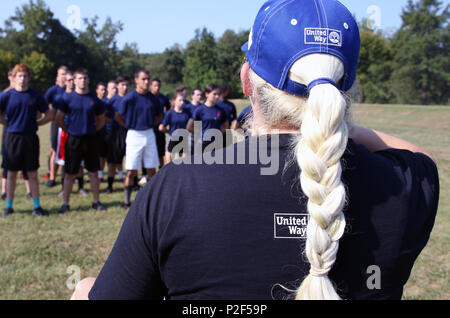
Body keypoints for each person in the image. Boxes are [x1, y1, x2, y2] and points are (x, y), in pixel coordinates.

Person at [72, 0, 439, 300]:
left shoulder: (177, 188)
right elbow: (420, 157)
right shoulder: (404, 188)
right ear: (344, 89)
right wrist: (333, 124)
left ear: (247, 80)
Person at [0, 64, 53, 218]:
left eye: (25, 76)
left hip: (30, 138)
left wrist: (37, 123)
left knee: (32, 173)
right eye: (19, 76)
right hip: (12, 138)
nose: (22, 79)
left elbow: (49, 114)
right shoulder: (6, 96)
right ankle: (9, 206)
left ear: (29, 78)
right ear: (14, 77)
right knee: (11, 173)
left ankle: (37, 206)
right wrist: (7, 124)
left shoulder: (35, 96)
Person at [56, 68, 106, 214]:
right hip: (73, 139)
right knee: (70, 173)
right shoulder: (67, 98)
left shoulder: (94, 100)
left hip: (90, 139)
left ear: (88, 80)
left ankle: (96, 201)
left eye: (85, 78)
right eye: (79, 78)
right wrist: (70, 130)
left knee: (93, 172)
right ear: (74, 80)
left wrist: (92, 130)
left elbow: (101, 120)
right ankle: (65, 203)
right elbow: (59, 119)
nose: (82, 81)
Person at [115, 69, 162, 209]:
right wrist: (128, 125)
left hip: (149, 134)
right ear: (136, 80)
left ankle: (153, 200)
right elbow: (118, 116)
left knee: (151, 169)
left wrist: (152, 124)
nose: (146, 82)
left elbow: (159, 115)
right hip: (134, 134)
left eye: (148, 79)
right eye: (143, 79)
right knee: (131, 170)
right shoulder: (129, 98)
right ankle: (126, 201)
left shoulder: (153, 98)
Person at [44, 65, 68, 188]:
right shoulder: (53, 90)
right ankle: (52, 177)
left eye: (66, 73)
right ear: (57, 76)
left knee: (67, 151)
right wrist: (51, 114)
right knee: (54, 149)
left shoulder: (71, 89)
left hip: (68, 124)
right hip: (56, 124)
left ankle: (67, 178)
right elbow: (43, 104)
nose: (64, 76)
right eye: (62, 74)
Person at [186, 83, 229, 153]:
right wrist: (200, 134)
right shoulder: (199, 110)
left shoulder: (221, 110)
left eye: (218, 94)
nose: (217, 96)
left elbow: (226, 127)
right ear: (207, 94)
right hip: (202, 144)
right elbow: (189, 127)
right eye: (214, 94)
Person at [104, 76, 129, 194]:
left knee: (130, 160)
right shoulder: (112, 100)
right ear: (118, 86)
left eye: (127, 85)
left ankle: (131, 183)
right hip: (116, 132)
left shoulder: (131, 99)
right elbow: (102, 114)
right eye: (122, 85)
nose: (125, 87)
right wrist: (111, 121)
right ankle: (110, 185)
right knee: (113, 161)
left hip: (130, 132)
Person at [158, 92, 190, 164]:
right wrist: (169, 132)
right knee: (169, 162)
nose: (182, 102)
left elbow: (191, 126)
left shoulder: (187, 113)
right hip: (173, 138)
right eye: (180, 100)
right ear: (174, 101)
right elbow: (161, 127)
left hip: (183, 140)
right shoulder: (170, 113)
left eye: (183, 100)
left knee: (183, 163)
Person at [149, 78, 170, 174]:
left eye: (158, 86)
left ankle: (161, 172)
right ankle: (145, 173)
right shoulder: (147, 97)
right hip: (148, 127)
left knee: (160, 151)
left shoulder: (163, 98)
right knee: (148, 152)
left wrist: (165, 120)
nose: (157, 88)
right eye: (155, 86)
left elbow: (169, 110)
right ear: (150, 86)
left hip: (159, 127)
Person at [95, 82, 108, 182]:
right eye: (101, 89)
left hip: (104, 131)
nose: (103, 92)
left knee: (103, 154)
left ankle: (100, 173)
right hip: (94, 131)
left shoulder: (106, 102)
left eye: (104, 89)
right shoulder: (94, 101)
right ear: (97, 90)